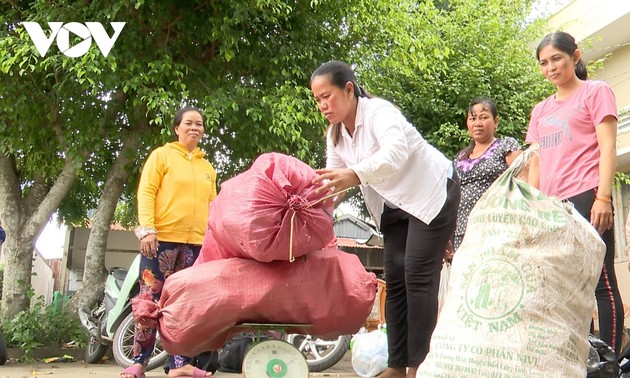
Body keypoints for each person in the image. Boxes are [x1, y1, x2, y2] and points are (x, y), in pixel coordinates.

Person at [310, 60, 460, 378]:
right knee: (395, 281)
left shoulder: (379, 112)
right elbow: (334, 185)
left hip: (432, 191)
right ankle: (396, 365)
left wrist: (353, 174)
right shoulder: (335, 136)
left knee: (416, 276)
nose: (323, 105)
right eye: (317, 99)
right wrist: (311, 211)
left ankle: (419, 367)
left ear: (349, 89)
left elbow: (395, 153)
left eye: (328, 96)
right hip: (394, 205)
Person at [526, 31, 623, 356]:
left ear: (575, 56)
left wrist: (604, 197)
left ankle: (608, 363)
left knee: (601, 281)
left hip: (587, 193)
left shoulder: (596, 92)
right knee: (564, 286)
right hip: (552, 206)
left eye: (557, 58)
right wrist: (532, 206)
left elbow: (608, 148)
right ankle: (581, 361)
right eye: (544, 62)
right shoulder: (539, 111)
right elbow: (535, 163)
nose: (551, 67)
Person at [121, 107, 217, 378]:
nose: (194, 128)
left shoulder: (206, 167)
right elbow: (146, 191)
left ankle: (181, 365)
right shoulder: (161, 156)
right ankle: (140, 362)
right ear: (177, 128)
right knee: (149, 301)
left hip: (195, 246)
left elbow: (213, 205)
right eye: (189, 123)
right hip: (160, 240)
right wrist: (147, 230)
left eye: (199, 124)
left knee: (184, 304)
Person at [449, 97, 521, 255]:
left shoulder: (506, 146)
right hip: (464, 230)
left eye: (483, 117)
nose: (477, 123)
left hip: (496, 226)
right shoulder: (460, 157)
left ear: (496, 121)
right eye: (472, 119)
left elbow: (523, 178)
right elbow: (451, 195)